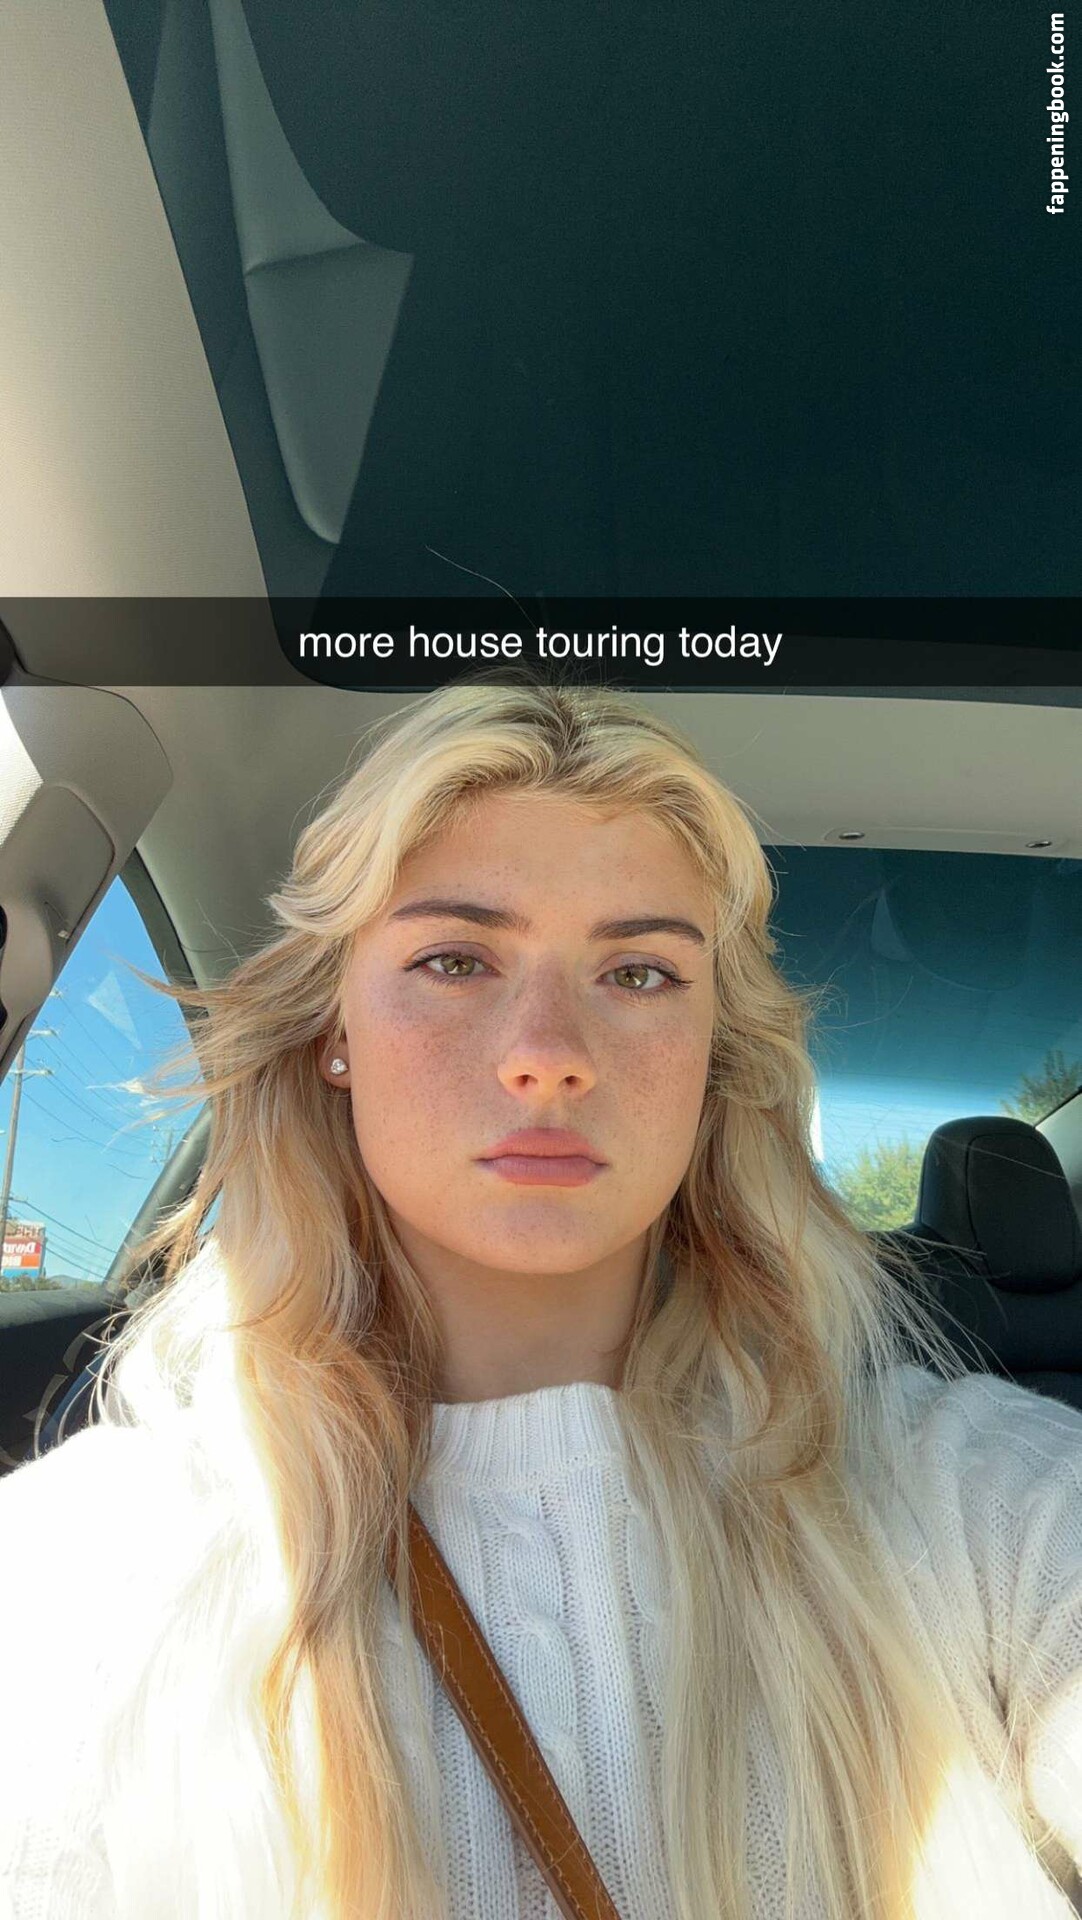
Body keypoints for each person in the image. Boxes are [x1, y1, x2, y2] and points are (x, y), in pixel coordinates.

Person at [1, 673, 1080, 1920]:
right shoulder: (90, 1568)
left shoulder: (965, 1494)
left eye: (640, 974)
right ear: (333, 1032)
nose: (548, 1052)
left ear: (713, 1062)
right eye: (455, 959)